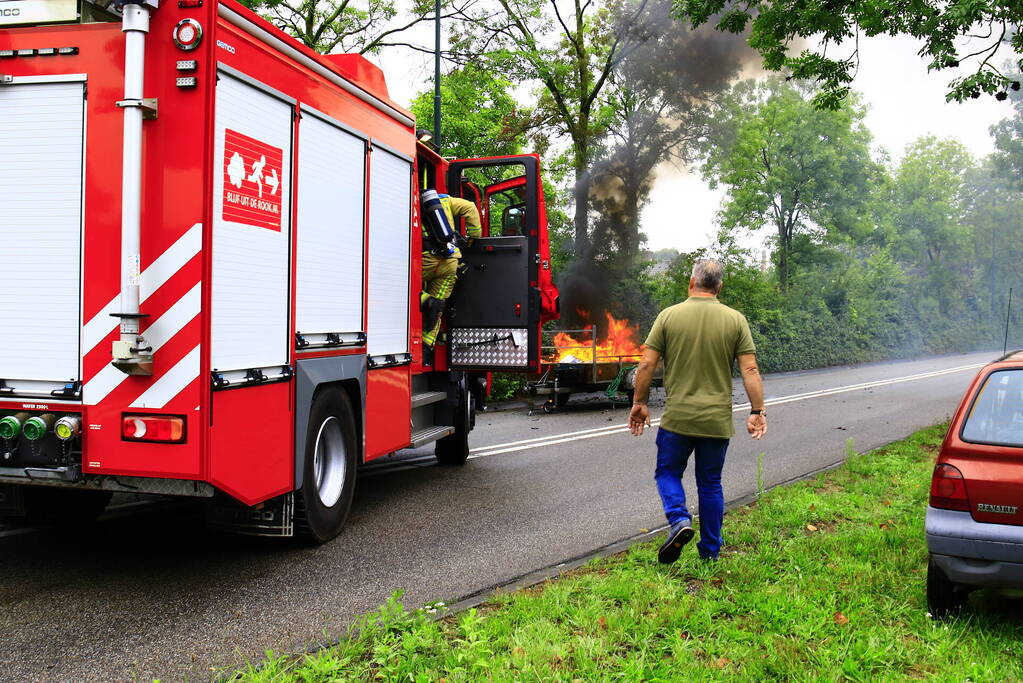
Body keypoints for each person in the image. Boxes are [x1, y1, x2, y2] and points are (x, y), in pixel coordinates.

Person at [629, 259, 767, 564]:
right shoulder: (735, 320)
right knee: (710, 484)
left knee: (667, 472)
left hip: (678, 419)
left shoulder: (669, 316)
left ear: (691, 283)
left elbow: (646, 365)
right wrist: (757, 410)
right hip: (716, 421)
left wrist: (639, 403)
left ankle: (679, 519)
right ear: (719, 287)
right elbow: (750, 369)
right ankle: (710, 553)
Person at [421, 192, 482, 354]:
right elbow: (471, 207)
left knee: (398, 289)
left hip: (424, 261)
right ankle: (426, 347)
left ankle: (425, 299)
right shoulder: (446, 201)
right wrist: (474, 237)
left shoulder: (408, 200)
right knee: (438, 303)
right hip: (450, 262)